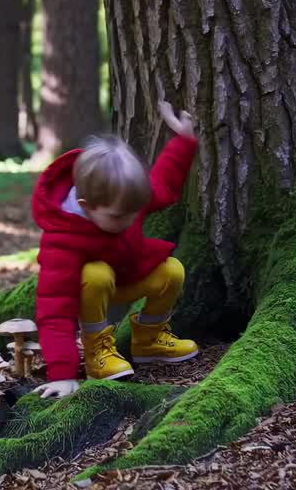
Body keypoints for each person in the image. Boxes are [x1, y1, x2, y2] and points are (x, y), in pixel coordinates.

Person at [30, 101, 200, 399]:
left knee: (171, 270)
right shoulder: (62, 239)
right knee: (95, 274)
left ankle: (148, 340)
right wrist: (63, 374)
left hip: (130, 276)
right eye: (120, 216)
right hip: (94, 293)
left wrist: (184, 141)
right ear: (85, 206)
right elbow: (54, 308)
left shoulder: (122, 199)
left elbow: (164, 184)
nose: (131, 220)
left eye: (136, 211)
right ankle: (97, 352)